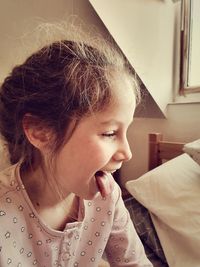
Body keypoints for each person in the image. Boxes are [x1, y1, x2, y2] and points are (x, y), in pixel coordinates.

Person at [0, 24, 152, 267]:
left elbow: (134, 262)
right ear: (41, 132)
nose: (127, 153)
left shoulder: (107, 197)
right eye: (110, 133)